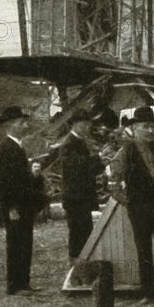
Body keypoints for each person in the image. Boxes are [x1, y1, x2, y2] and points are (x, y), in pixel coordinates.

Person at [110, 106, 154, 303]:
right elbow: (113, 185)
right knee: (144, 250)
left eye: (152, 126)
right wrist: (129, 202)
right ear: (135, 128)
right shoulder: (125, 153)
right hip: (139, 210)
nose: (150, 130)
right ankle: (148, 293)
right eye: (145, 127)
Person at [0, 107, 39, 296]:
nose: (25, 125)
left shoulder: (18, 146)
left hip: (23, 204)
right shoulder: (4, 148)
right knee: (15, 244)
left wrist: (33, 176)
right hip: (14, 206)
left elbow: (19, 178)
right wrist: (11, 206)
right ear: (10, 125)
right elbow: (2, 182)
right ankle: (14, 285)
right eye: (21, 122)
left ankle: (24, 282)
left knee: (25, 242)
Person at [60, 113, 104, 265]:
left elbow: (93, 168)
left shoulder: (81, 142)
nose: (87, 128)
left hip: (83, 196)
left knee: (86, 231)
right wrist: (96, 157)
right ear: (75, 124)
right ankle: (76, 267)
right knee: (77, 232)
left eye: (88, 125)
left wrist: (98, 160)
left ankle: (85, 263)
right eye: (84, 125)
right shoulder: (68, 144)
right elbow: (77, 167)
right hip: (74, 197)